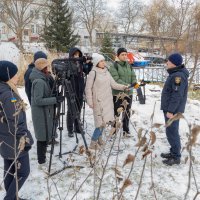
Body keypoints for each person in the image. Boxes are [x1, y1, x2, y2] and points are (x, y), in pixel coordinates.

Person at [0, 61, 34, 200]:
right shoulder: (8, 95)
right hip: (14, 139)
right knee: (22, 172)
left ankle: (12, 197)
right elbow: (15, 120)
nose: (17, 76)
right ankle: (10, 198)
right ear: (6, 76)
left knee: (9, 169)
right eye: (14, 74)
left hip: (4, 139)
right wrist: (24, 138)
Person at [85, 53, 128, 149]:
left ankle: (99, 140)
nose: (103, 62)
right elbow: (88, 88)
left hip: (107, 101)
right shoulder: (93, 73)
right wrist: (90, 101)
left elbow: (114, 84)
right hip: (98, 101)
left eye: (104, 61)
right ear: (96, 62)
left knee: (104, 122)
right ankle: (93, 143)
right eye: (101, 61)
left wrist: (123, 87)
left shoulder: (106, 72)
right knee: (99, 123)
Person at [29, 58, 64, 169]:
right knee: (42, 138)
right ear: (42, 68)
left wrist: (55, 94)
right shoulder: (39, 81)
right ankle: (41, 161)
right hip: (41, 114)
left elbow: (46, 95)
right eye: (46, 67)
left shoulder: (42, 78)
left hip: (44, 113)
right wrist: (55, 99)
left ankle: (42, 159)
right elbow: (38, 100)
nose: (48, 69)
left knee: (43, 136)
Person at [161, 53, 189, 166]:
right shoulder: (175, 74)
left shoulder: (178, 76)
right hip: (170, 109)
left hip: (172, 110)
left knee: (172, 132)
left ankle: (176, 157)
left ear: (173, 63)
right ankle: (173, 152)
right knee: (170, 131)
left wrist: (171, 111)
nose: (167, 62)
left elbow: (177, 96)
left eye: (168, 61)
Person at [109, 48, 137, 136]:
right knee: (116, 112)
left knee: (127, 112)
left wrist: (134, 83)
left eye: (126, 54)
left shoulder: (129, 65)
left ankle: (126, 130)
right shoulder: (114, 66)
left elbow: (133, 76)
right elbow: (116, 79)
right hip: (118, 94)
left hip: (129, 93)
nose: (125, 56)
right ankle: (113, 131)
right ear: (118, 56)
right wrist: (126, 85)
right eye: (122, 55)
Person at [66, 47, 92, 137]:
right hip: (71, 89)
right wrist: (80, 61)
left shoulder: (80, 64)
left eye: (78, 54)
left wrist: (88, 63)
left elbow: (87, 71)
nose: (77, 56)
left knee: (79, 109)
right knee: (71, 110)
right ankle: (70, 129)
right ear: (71, 55)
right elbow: (69, 74)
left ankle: (77, 127)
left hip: (80, 89)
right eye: (75, 54)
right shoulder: (68, 63)